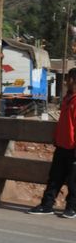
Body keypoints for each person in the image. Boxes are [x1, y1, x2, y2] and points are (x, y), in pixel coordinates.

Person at [28, 68, 76, 218]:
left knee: (73, 181)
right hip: (62, 145)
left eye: (68, 78)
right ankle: (47, 205)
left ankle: (72, 207)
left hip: (73, 147)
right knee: (54, 177)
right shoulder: (67, 98)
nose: (66, 81)